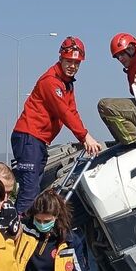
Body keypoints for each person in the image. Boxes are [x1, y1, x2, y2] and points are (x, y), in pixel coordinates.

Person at [11, 36, 101, 214]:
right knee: (29, 193)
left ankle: (23, 230)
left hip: (38, 140)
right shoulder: (51, 82)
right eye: (69, 61)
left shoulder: (67, 84)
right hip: (29, 137)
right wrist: (84, 136)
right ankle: (12, 234)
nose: (73, 66)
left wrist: (86, 136)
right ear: (60, 59)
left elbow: (72, 111)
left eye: (77, 63)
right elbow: (63, 112)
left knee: (34, 190)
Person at [97, 31, 136, 144]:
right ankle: (124, 140)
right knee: (106, 111)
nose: (120, 59)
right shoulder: (130, 73)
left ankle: (134, 142)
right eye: (117, 57)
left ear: (131, 49)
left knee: (105, 105)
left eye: (122, 54)